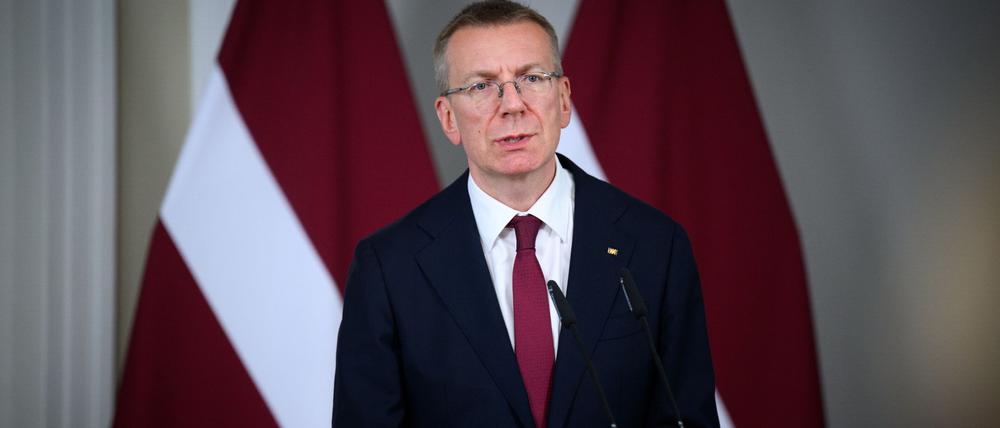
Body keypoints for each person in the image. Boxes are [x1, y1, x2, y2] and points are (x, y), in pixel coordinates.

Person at [332, 1, 719, 427]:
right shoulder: (388, 268)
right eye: (481, 86)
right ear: (448, 118)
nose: (512, 104)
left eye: (531, 78)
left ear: (564, 99)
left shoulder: (655, 246)